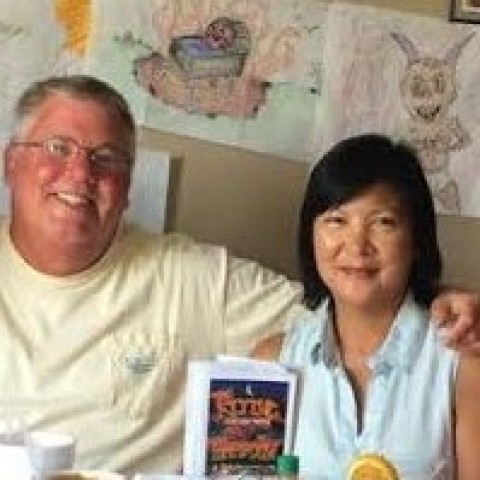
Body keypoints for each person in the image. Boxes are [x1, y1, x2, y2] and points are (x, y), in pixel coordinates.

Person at [0, 76, 478, 476]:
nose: (80, 173)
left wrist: (446, 302)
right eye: (57, 148)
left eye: (105, 157)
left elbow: (357, 299)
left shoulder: (197, 280)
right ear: (9, 163)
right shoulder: (282, 355)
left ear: (127, 185)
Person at [252, 134, 480, 479]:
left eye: (383, 222)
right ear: (310, 236)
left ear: (417, 240)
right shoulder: (271, 366)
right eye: (337, 220)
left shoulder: (461, 363)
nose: (357, 245)